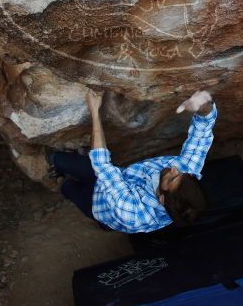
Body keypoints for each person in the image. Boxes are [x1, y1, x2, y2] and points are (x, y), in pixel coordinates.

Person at [49, 90, 217, 233]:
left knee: (69, 188)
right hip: (115, 177)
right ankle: (57, 162)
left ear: (162, 200)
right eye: (180, 173)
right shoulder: (186, 172)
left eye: (171, 178)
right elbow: (203, 130)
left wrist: (94, 111)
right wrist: (204, 106)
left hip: (97, 205)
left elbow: (102, 165)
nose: (174, 169)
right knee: (60, 159)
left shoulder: (134, 214)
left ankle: (60, 180)